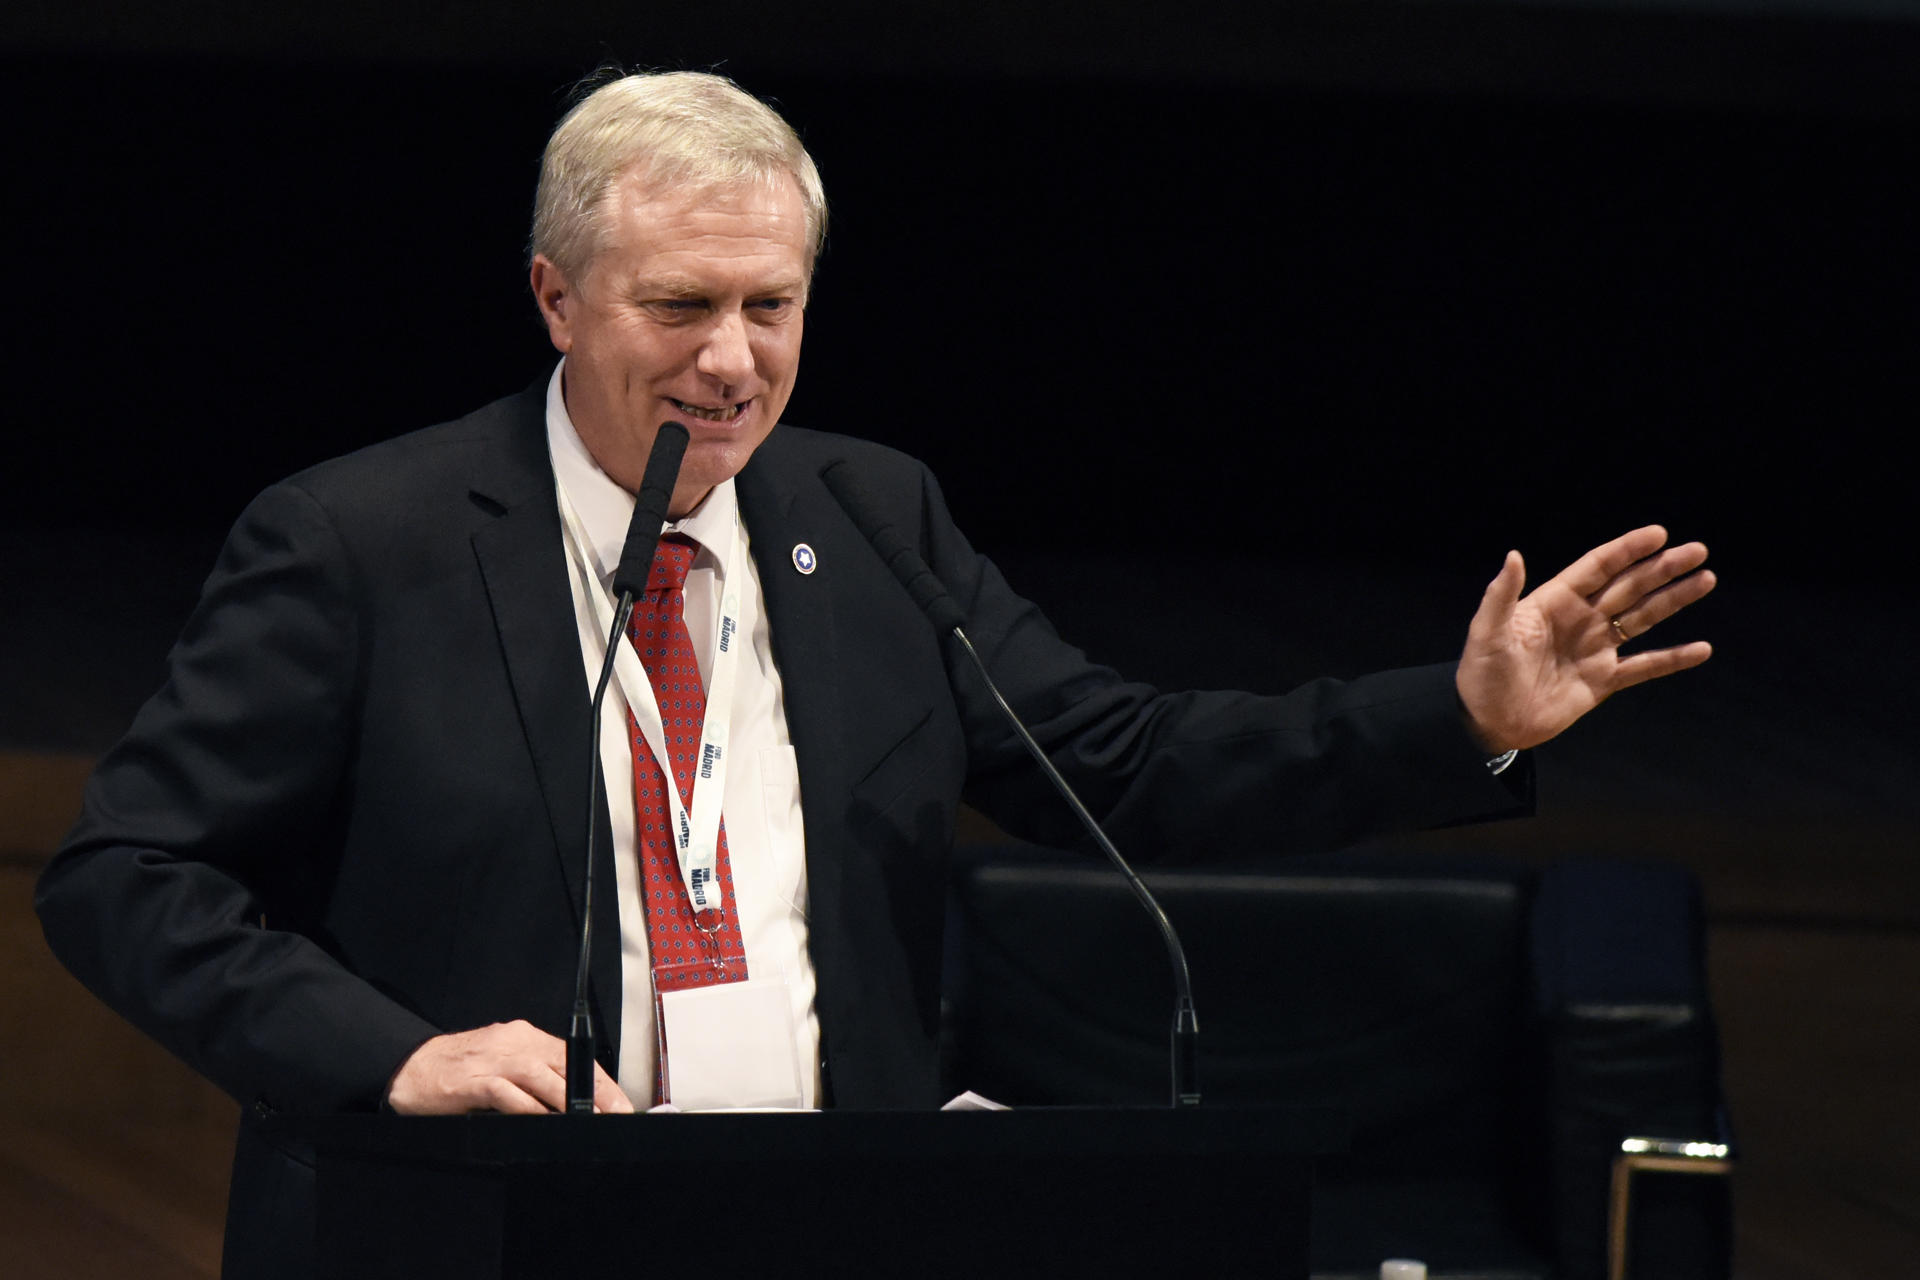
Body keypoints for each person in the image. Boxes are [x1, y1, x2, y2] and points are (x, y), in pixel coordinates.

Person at [34, 70, 1714, 1272]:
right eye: (679, 305)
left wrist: (1466, 718)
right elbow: (126, 876)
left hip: (826, 1222)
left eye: (774, 305)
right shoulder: (360, 542)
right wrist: (388, 1055)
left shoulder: (869, 510)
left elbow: (1119, 760)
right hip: (476, 1224)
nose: (731, 361)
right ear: (556, 298)